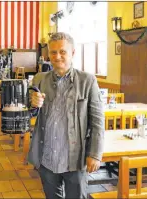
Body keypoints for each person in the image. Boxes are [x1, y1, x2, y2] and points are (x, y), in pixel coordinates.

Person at [28, 32, 104, 199]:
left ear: (73, 53)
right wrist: (32, 104)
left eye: (63, 52)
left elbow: (98, 121)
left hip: (75, 158)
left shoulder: (87, 81)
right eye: (53, 52)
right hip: (46, 157)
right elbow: (29, 112)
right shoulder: (39, 79)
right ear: (48, 54)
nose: (58, 56)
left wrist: (95, 154)